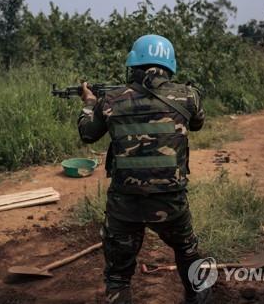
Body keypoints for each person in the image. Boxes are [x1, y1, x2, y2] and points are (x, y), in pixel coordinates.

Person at [77, 34, 208, 304]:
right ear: (169, 65)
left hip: (124, 204)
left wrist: (89, 102)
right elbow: (196, 124)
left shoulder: (110, 100)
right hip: (171, 202)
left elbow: (88, 134)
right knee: (188, 252)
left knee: (118, 276)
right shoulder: (188, 96)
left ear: (133, 65)